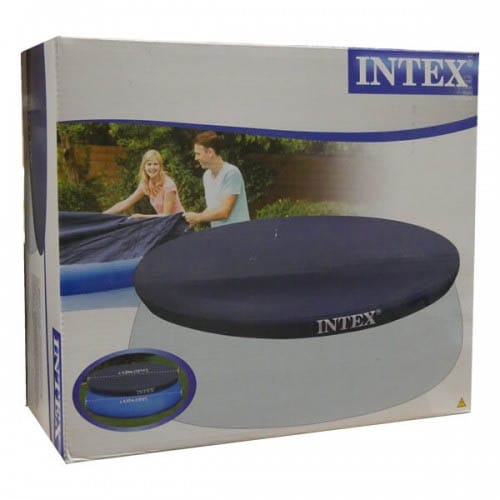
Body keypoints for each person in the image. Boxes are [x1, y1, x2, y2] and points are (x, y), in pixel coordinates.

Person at [184, 131, 250, 228]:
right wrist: (194, 220)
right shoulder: (206, 176)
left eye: (198, 154)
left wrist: (198, 217)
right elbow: (212, 207)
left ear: (210, 152)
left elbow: (224, 212)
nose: (196, 158)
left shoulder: (231, 173)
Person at [104, 149, 184, 218]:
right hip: (163, 223)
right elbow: (126, 203)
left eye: (155, 164)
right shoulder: (146, 184)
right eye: (149, 164)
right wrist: (103, 215)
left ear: (160, 167)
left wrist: (143, 217)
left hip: (177, 223)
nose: (152, 167)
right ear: (144, 167)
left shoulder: (168, 185)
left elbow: (167, 216)